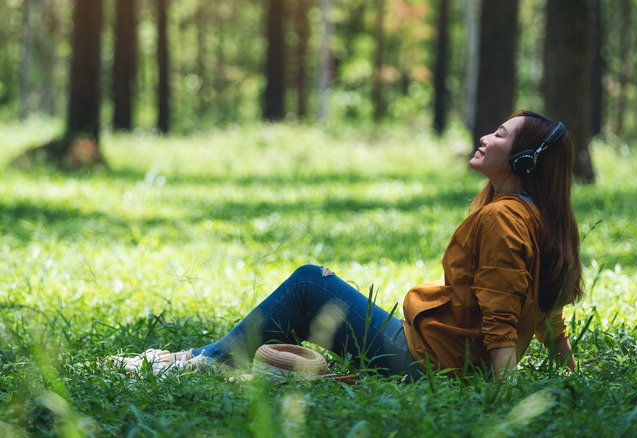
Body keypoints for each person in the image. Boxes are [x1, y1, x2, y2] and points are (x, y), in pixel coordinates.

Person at [116, 110, 584, 380]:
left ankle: (196, 363)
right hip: (438, 354)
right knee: (312, 287)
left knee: (307, 283)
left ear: (524, 158)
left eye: (500, 135)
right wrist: (569, 371)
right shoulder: (535, 217)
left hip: (428, 362)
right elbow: (546, 308)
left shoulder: (505, 219)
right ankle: (194, 358)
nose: (485, 136)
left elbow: (502, 310)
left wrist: (498, 398)